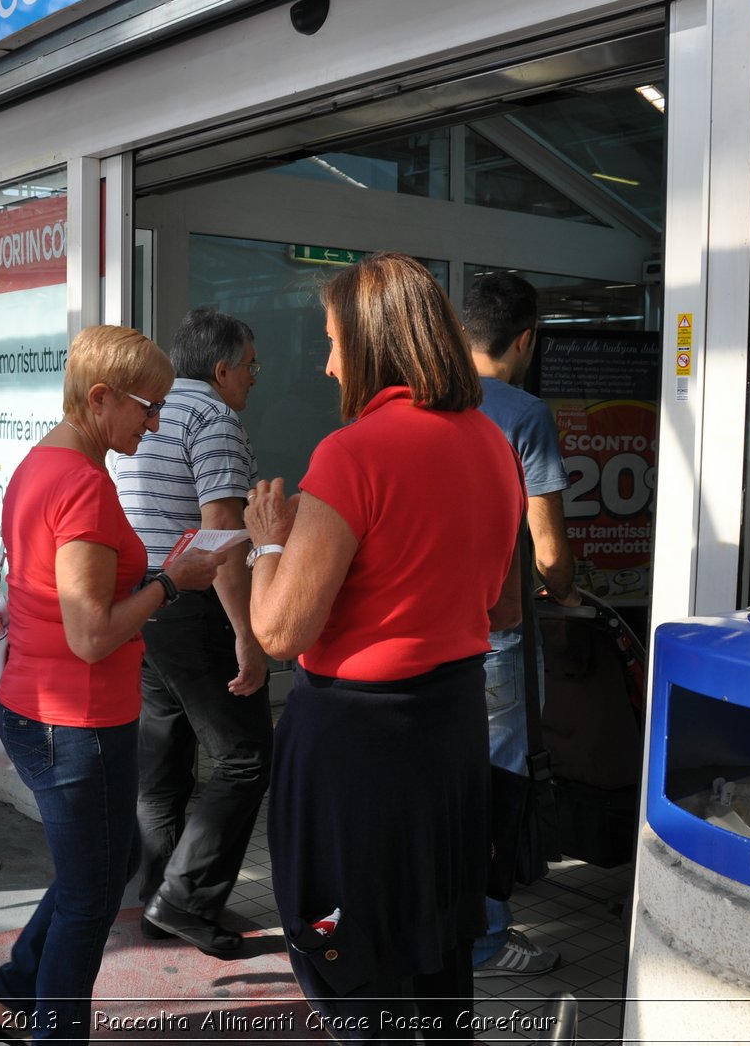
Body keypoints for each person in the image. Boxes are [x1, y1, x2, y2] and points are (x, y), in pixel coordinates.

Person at [243, 252, 524, 1041]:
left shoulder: (352, 453)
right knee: (437, 956)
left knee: (348, 966)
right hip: (452, 735)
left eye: (333, 341)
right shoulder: (494, 446)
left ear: (373, 345)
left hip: (356, 747)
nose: (329, 363)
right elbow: (503, 605)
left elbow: (277, 632)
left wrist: (269, 543)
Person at [0, 325, 224, 1044]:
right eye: (149, 406)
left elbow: (62, 593)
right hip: (75, 719)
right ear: (101, 397)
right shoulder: (80, 482)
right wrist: (174, 582)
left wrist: (149, 574)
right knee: (90, 894)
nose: (157, 421)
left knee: (100, 870)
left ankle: (13, 992)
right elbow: (90, 634)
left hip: (48, 709)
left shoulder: (44, 463)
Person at [112, 308, 269, 959]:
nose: (255, 379)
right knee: (246, 753)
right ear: (224, 368)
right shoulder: (212, 419)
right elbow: (223, 538)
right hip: (192, 604)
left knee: (165, 761)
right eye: (252, 366)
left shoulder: (153, 411)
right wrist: (247, 634)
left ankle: (161, 894)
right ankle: (184, 898)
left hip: (143, 599)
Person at [463, 271, 581, 979]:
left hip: (433, 635)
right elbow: (550, 548)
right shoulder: (524, 413)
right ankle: (485, 935)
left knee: (446, 784)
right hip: (499, 636)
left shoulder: (425, 402)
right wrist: (563, 586)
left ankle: (444, 918)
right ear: (526, 339)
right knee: (497, 787)